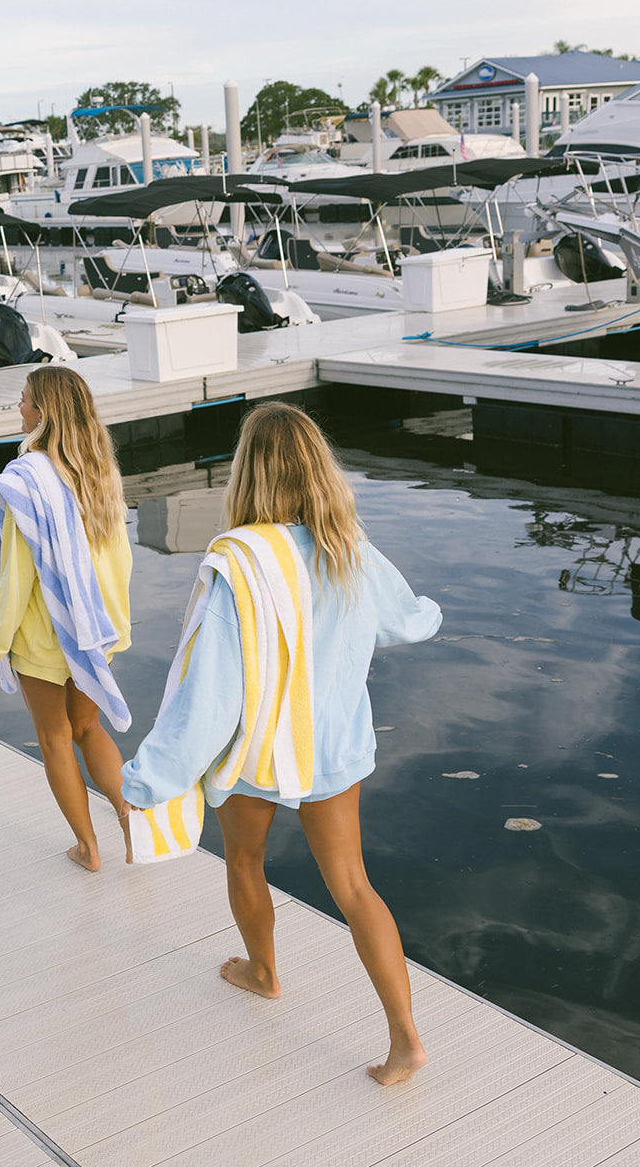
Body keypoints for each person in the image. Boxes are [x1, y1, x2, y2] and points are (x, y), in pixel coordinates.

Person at [121, 401, 441, 1084]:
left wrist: (147, 780)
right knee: (354, 887)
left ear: (249, 476)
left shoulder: (239, 563)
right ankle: (405, 1039)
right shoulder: (347, 547)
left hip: (258, 751)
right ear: (319, 470)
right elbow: (409, 623)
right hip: (331, 749)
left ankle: (263, 972)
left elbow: (209, 696)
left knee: (245, 860)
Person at [0, 366, 133, 871]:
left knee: (55, 739)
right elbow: (119, 559)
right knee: (89, 729)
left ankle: (88, 848)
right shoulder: (99, 472)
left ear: (45, 413)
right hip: (91, 629)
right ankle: (129, 822)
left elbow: (15, 583)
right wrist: (110, 627)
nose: (19, 408)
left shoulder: (26, 482)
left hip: (43, 636)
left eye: (24, 400)